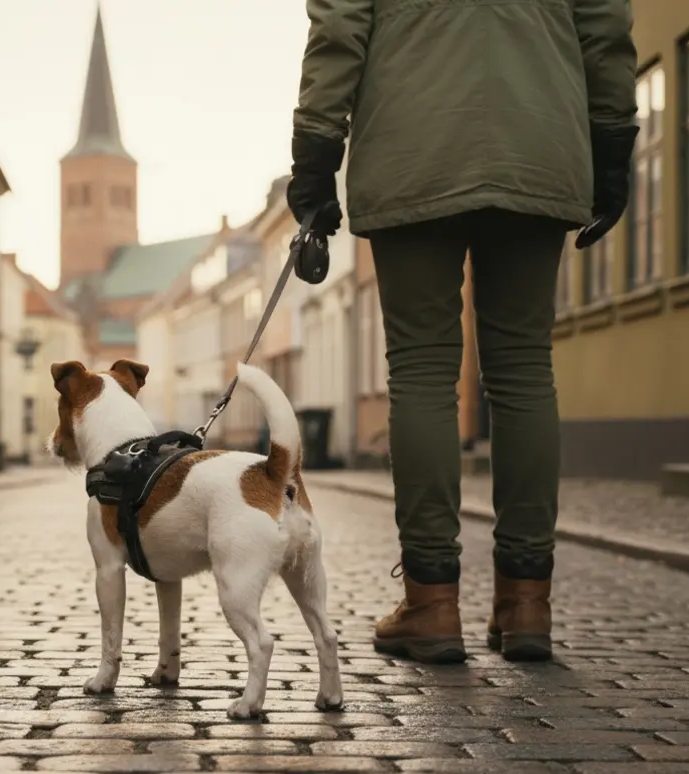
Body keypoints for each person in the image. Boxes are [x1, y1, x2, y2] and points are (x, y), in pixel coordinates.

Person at [286, 0, 638, 663]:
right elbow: (607, 24)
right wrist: (613, 145)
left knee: (421, 369)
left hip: (411, 143)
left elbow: (338, 28)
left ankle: (432, 603)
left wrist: (314, 158)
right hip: (540, 139)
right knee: (526, 367)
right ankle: (527, 601)